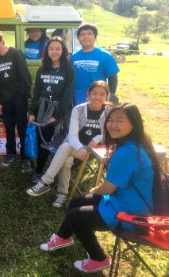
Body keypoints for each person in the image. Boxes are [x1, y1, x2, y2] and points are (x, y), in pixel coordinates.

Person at [39, 103, 160, 273]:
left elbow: (108, 188)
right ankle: (63, 237)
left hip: (131, 214)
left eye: (120, 121)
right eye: (111, 120)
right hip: (124, 199)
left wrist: (93, 191)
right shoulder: (131, 144)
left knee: (75, 216)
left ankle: (99, 259)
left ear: (133, 123)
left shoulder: (128, 151)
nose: (113, 125)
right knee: (77, 201)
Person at [27, 81, 112, 208]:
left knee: (65, 150)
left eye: (102, 94)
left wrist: (96, 138)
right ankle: (62, 194)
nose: (97, 97)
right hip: (74, 145)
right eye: (94, 93)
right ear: (88, 94)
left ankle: (45, 182)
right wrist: (80, 147)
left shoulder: (109, 111)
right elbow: (72, 135)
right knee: (66, 156)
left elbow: (110, 131)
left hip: (93, 149)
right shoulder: (78, 109)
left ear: (107, 96)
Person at [28, 36, 75, 182]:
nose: (54, 51)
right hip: (42, 108)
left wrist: (58, 115)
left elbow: (68, 94)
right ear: (47, 51)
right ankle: (39, 170)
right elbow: (36, 92)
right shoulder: (42, 69)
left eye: (57, 49)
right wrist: (31, 112)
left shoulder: (68, 70)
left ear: (63, 51)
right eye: (51, 48)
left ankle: (58, 171)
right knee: (43, 141)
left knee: (57, 142)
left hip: (59, 110)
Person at [0, 30, 32, 172]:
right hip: (6, 100)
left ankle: (25, 159)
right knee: (9, 128)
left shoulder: (15, 53)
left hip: (18, 98)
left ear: (1, 41)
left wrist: (22, 96)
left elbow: (26, 77)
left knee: (22, 129)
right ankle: (10, 154)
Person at [71, 23, 119, 106]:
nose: (86, 37)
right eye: (82, 34)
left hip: (98, 95)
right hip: (77, 96)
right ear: (78, 38)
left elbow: (113, 78)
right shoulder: (73, 57)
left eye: (89, 34)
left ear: (95, 37)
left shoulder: (105, 55)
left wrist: (109, 96)